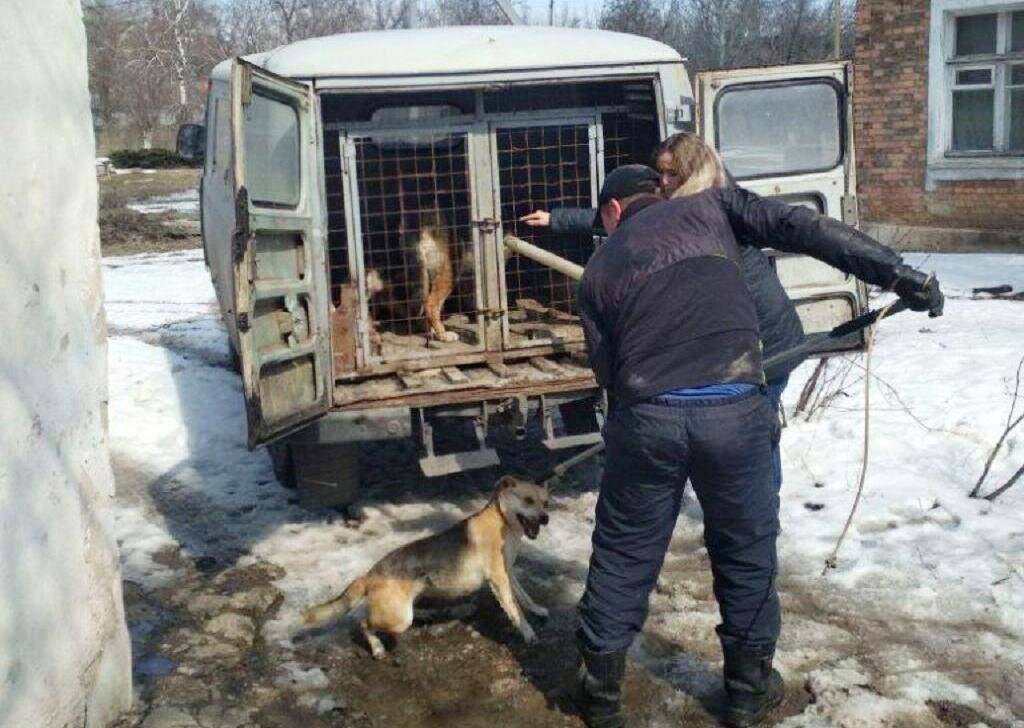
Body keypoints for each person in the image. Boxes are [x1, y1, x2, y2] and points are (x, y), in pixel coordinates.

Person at [571, 160, 942, 728]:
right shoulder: (715, 205)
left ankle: (600, 698)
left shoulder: (597, 269)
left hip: (647, 419)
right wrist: (896, 274)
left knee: (623, 552)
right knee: (745, 550)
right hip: (736, 416)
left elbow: (609, 374)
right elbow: (804, 226)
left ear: (613, 211)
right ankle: (747, 694)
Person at [520, 132, 943, 494]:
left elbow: (808, 229)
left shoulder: (724, 206)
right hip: (725, 352)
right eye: (659, 174)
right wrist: (557, 219)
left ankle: (761, 518)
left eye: (672, 174)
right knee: (734, 442)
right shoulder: (673, 212)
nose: (662, 183)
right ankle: (743, 515)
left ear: (697, 171)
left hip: (763, 348)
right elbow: (622, 218)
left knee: (754, 441)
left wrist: (896, 273)